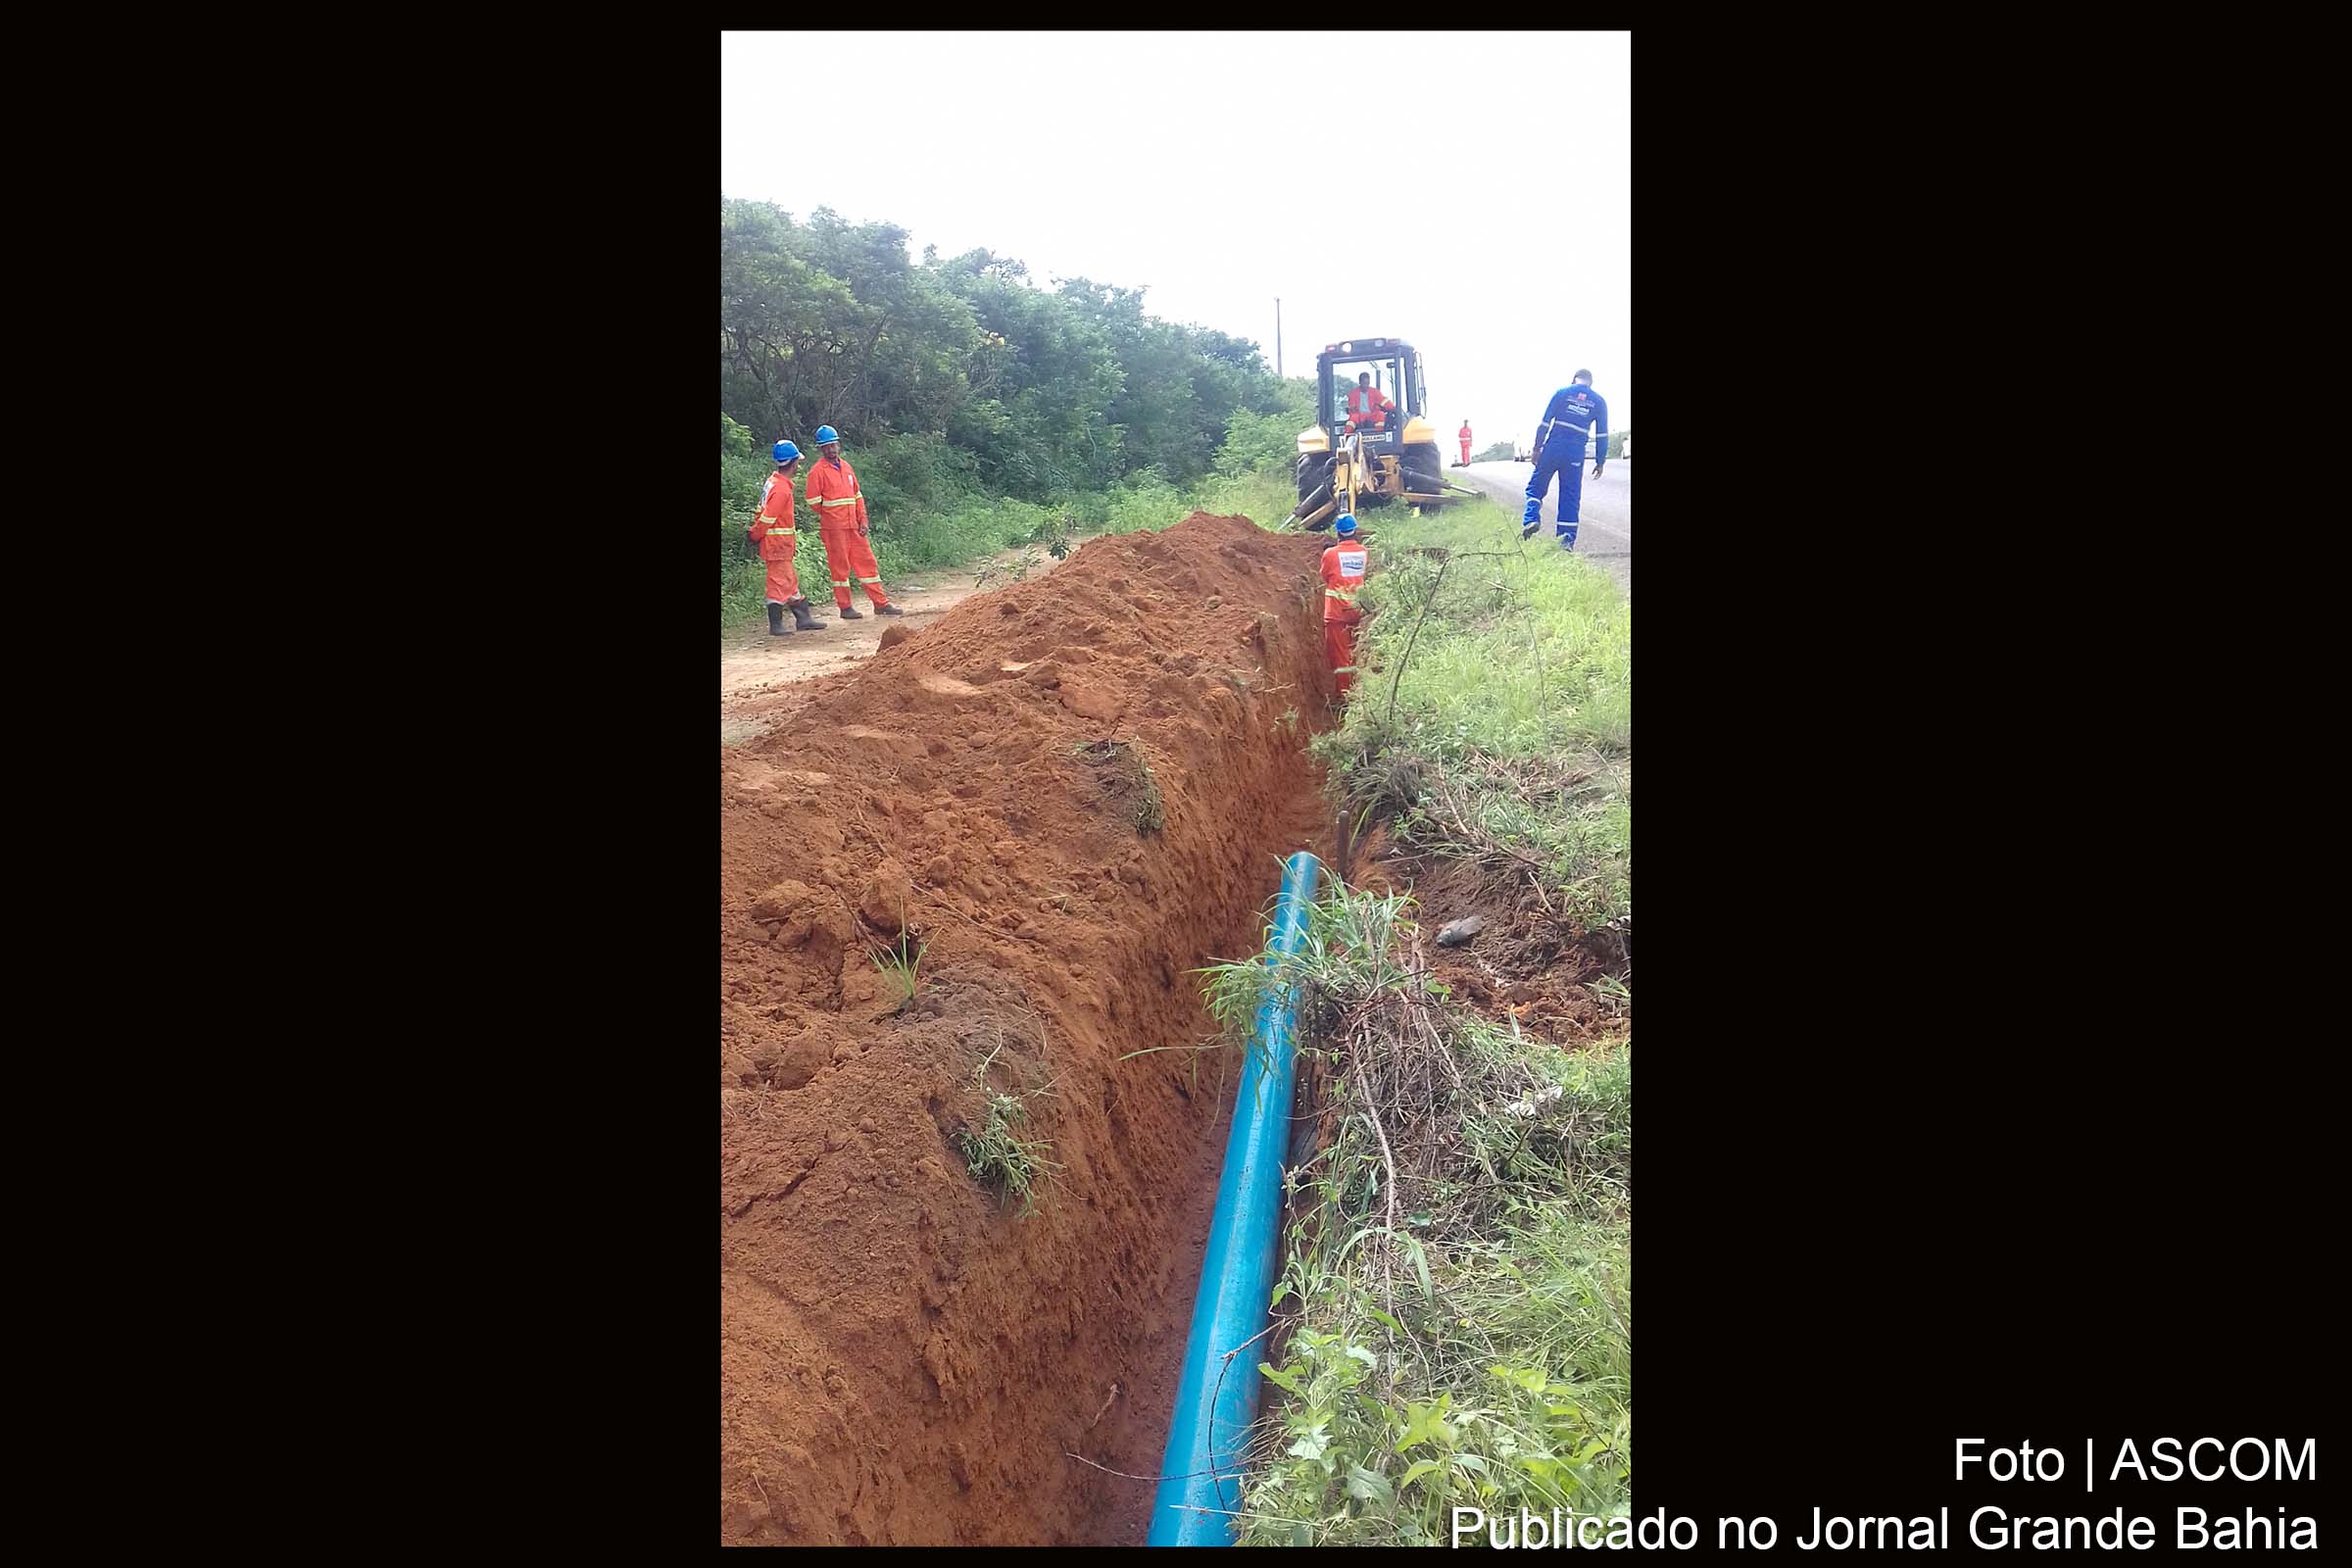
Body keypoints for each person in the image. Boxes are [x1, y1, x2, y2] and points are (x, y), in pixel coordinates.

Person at [804, 424, 902, 619]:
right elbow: (813, 502)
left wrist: (862, 519)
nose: (831, 449)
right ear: (821, 449)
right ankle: (845, 607)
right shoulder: (817, 472)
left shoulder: (847, 467)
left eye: (833, 445)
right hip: (834, 529)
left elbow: (857, 495)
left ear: (838, 445)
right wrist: (833, 516)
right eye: (827, 447)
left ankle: (880, 604)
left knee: (868, 563)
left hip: (854, 526)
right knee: (839, 567)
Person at [1522, 370, 1609, 549]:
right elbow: (1602, 434)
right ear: (1590, 383)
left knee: (1536, 487)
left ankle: (1531, 519)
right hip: (1575, 453)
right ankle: (1565, 543)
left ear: (1573, 380)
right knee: (1570, 496)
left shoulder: (1562, 393)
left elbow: (1545, 423)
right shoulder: (1599, 402)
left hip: (1553, 448)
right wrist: (1600, 461)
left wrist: (1537, 448)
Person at [752, 442, 826, 634]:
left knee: (789, 581)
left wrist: (755, 532)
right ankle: (776, 625)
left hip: (778, 545)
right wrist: (756, 533)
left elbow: (762, 513)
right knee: (778, 583)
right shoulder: (782, 490)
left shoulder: (773, 482)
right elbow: (768, 518)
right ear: (793, 464)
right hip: (777, 545)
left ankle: (803, 619)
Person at [1319, 514, 1369, 700]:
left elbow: (1325, 576)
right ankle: (1361, 692)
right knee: (1359, 650)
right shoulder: (1363, 551)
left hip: (1336, 613)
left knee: (1341, 657)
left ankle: (1346, 697)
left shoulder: (1330, 554)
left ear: (1338, 532)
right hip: (1359, 609)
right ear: (1354, 531)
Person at [1344, 371, 1396, 435]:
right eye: (1364, 383)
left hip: (1372, 415)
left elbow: (1384, 401)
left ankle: (1379, 434)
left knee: (1380, 414)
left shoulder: (1375, 392)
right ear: (1360, 382)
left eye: (1367, 383)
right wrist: (1351, 409)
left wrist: (1394, 408)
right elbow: (1352, 407)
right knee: (1353, 418)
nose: (1366, 385)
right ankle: (1346, 436)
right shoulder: (1353, 393)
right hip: (1359, 416)